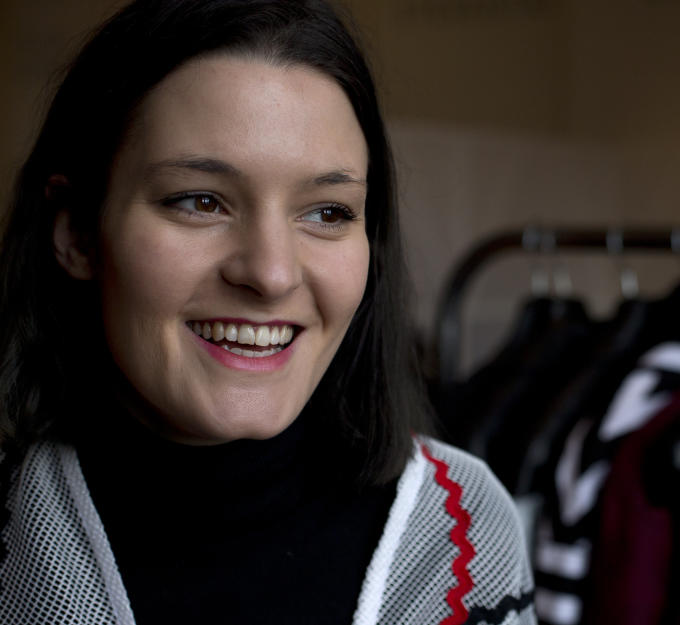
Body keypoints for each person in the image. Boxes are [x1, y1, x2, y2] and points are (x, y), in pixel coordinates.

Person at [0, 1, 536, 623]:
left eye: (328, 211)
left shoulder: (465, 534)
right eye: (200, 201)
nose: (272, 273)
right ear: (76, 234)